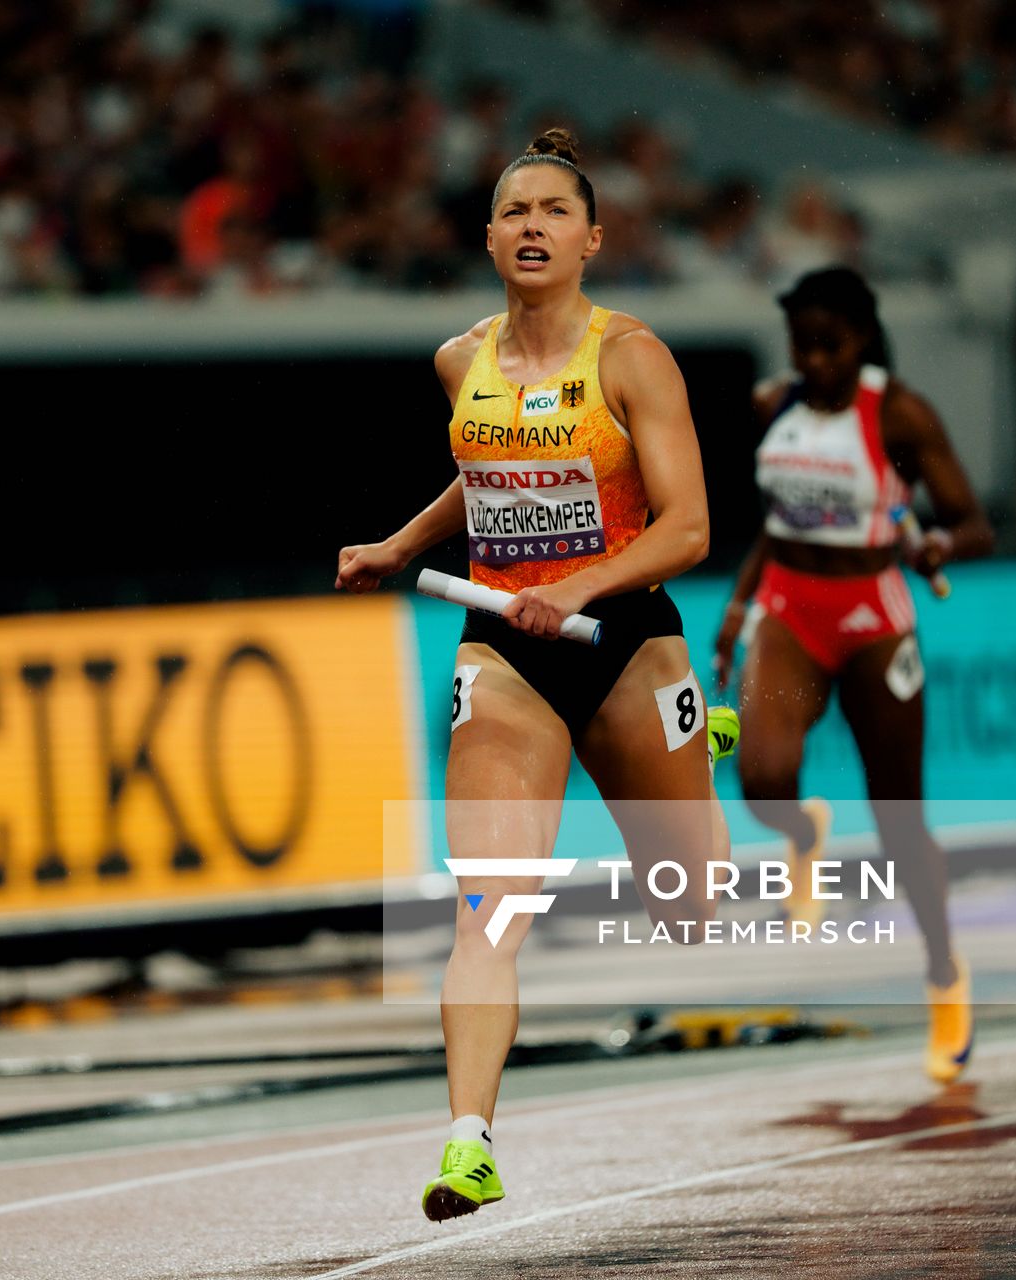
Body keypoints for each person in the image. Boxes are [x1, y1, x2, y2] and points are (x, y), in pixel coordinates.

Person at [336, 129, 739, 1222]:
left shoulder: (632, 357)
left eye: (555, 211)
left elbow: (692, 526)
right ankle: (469, 1138)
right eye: (515, 211)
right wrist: (403, 544)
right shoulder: (459, 361)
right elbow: (484, 470)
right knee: (490, 909)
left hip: (626, 640)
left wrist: (583, 586)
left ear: (592, 238)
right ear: (487, 236)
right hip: (506, 652)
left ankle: (704, 733)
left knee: (693, 908)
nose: (532, 226)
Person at [714, 266, 993, 1086]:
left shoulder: (899, 413)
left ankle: (944, 972)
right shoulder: (777, 405)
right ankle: (805, 836)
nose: (816, 363)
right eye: (803, 347)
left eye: (830, 347)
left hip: (872, 620)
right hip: (790, 611)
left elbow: (975, 523)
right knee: (762, 779)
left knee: (902, 824)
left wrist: (939, 545)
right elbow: (775, 526)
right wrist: (737, 611)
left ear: (862, 339)